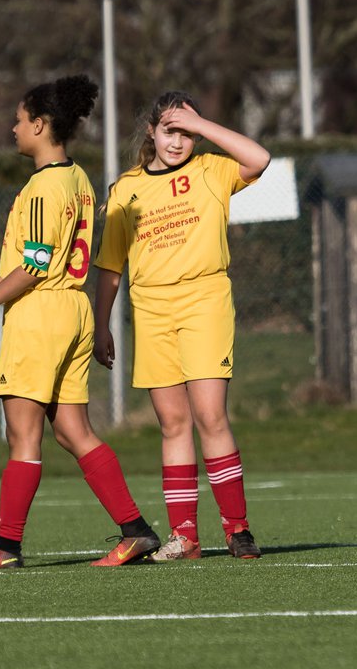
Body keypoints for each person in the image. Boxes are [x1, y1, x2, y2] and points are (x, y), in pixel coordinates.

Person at [0, 74, 160, 571]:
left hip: (40, 314)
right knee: (73, 432)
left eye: (19, 120)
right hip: (72, 309)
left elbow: (37, 264)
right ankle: (136, 531)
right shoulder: (78, 178)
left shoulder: (44, 187)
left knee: (23, 436)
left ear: (40, 125)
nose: (13, 128)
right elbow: (46, 257)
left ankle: (5, 547)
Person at [93, 92, 269, 561]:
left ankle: (237, 529)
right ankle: (185, 536)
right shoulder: (125, 189)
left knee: (210, 417)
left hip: (204, 302)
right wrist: (102, 323)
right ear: (151, 131)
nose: (179, 142)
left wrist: (202, 124)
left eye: (187, 133)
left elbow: (260, 157)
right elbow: (110, 266)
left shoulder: (211, 170)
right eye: (171, 130)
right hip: (150, 311)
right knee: (173, 424)